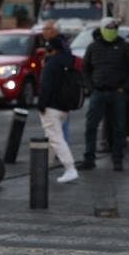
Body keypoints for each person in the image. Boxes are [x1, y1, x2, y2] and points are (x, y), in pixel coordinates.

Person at [79, 17, 129, 172]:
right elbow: (85, 69)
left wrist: (126, 88)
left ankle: (117, 159)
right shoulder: (93, 47)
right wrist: (91, 87)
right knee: (91, 126)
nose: (112, 31)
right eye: (109, 28)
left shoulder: (124, 47)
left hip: (117, 92)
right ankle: (89, 159)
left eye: (114, 28)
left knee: (119, 128)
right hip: (98, 92)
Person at [37, 37, 79, 183]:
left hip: (51, 107)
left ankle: (70, 168)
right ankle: (45, 165)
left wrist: (41, 105)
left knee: (56, 138)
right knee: (51, 136)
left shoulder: (51, 64)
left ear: (51, 50)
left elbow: (46, 86)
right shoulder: (69, 61)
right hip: (64, 107)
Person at [41, 20, 72, 143]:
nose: (44, 31)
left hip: (59, 90)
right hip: (58, 89)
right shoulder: (53, 43)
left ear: (54, 31)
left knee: (59, 126)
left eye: (47, 29)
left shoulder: (60, 44)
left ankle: (62, 149)